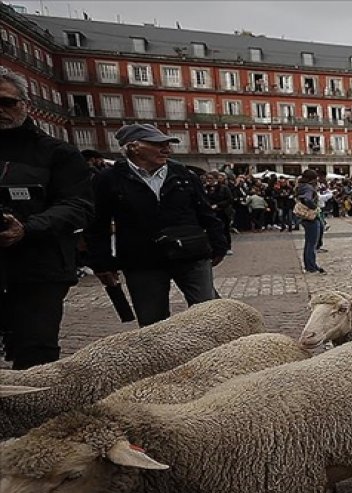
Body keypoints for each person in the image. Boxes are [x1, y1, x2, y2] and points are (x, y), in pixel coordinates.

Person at [0, 67, 94, 368]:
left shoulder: (58, 153)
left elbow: (78, 204)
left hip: (39, 266)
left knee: (36, 353)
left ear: (25, 104)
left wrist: (27, 228)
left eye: (6, 102)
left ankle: (35, 414)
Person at [88, 124, 228, 327]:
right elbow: (97, 224)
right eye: (157, 144)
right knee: (153, 324)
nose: (167, 149)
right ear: (133, 147)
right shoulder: (109, 179)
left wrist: (219, 244)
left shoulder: (183, 174)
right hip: (142, 261)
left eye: (167, 145)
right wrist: (102, 263)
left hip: (190, 253)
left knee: (210, 315)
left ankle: (215, 357)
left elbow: (205, 212)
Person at [295, 170, 324, 273]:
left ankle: (309, 265)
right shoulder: (308, 187)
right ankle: (311, 266)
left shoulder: (301, 186)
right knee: (312, 243)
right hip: (310, 216)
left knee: (309, 242)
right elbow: (307, 198)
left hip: (305, 217)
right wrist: (313, 206)